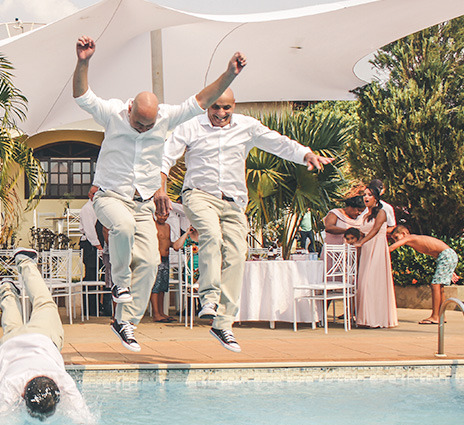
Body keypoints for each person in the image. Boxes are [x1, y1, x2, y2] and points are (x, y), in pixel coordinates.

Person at [73, 35, 247, 352]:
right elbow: (82, 95)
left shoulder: (165, 117)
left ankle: (124, 322)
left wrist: (230, 75)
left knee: (153, 264)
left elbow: (202, 100)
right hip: (109, 197)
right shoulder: (113, 113)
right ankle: (120, 284)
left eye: (148, 126)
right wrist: (83, 62)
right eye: (139, 123)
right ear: (129, 110)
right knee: (121, 228)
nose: (143, 129)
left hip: (142, 205)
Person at [161, 89, 334, 352]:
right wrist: (160, 189)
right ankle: (208, 299)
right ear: (208, 106)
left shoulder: (247, 126)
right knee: (210, 234)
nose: (220, 114)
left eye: (226, 108)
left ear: (234, 106)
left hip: (234, 202)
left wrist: (306, 155)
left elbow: (278, 142)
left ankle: (224, 323)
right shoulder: (191, 126)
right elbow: (165, 157)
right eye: (215, 108)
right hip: (198, 195)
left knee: (237, 252)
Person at [0, 248, 113, 425]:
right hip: (10, 343)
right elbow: (87, 423)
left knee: (44, 303)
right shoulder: (12, 385)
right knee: (11, 321)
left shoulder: (61, 379)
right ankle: (6, 286)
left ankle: (24, 262)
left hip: (43, 337)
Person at [389, 225, 459, 325]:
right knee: (440, 287)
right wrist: (450, 270)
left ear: (404, 234)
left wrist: (377, 252)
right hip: (447, 256)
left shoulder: (409, 237)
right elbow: (435, 252)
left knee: (435, 285)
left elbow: (391, 248)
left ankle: (435, 316)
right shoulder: (414, 241)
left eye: (396, 238)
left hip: (446, 255)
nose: (396, 241)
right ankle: (441, 315)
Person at [353, 182, 397, 328]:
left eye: (369, 195)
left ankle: (376, 318)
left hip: (377, 248)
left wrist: (362, 242)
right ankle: (365, 318)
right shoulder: (365, 215)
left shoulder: (382, 212)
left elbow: (376, 230)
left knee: (371, 282)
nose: (366, 197)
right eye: (364, 195)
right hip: (366, 250)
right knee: (363, 282)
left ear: (376, 198)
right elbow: (361, 230)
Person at [148, 212, 175, 322]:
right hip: (156, 258)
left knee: (163, 287)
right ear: (155, 214)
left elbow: (168, 242)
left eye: (165, 215)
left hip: (165, 259)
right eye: (160, 215)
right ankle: (156, 313)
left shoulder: (167, 226)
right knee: (155, 286)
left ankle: (162, 312)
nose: (163, 217)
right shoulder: (152, 226)